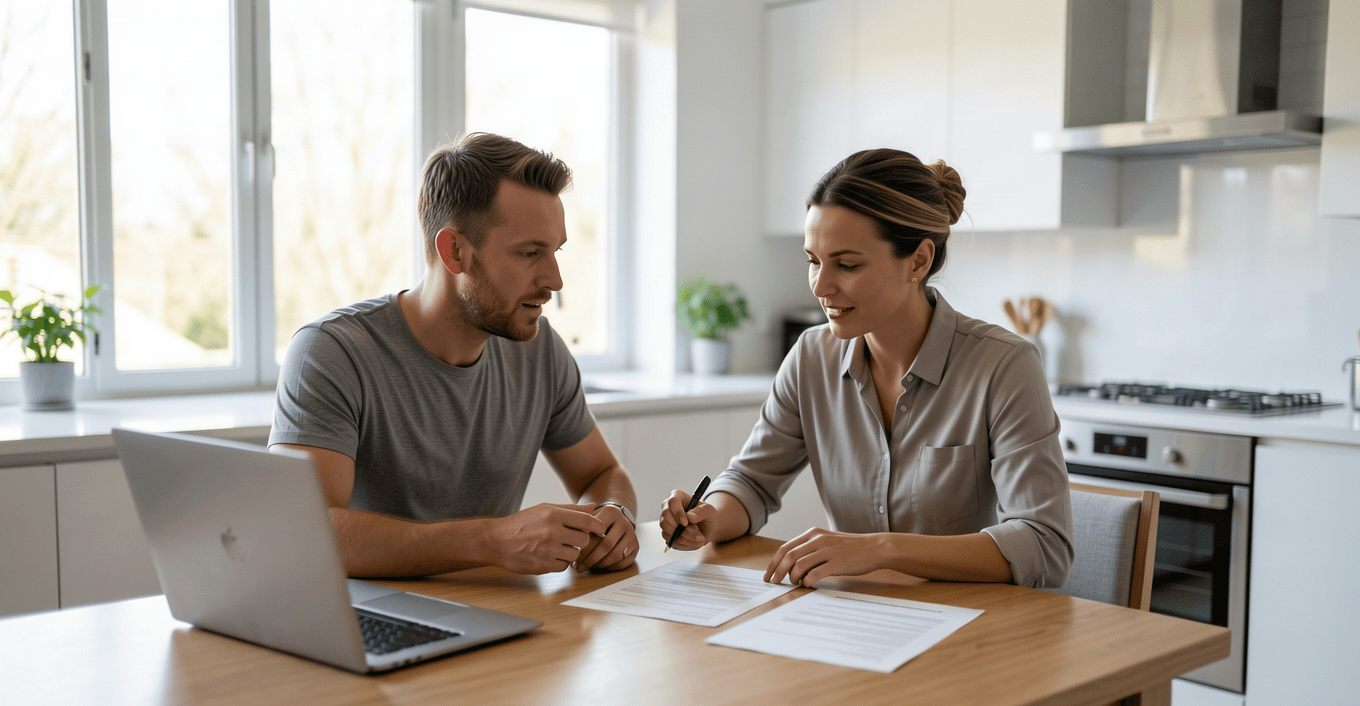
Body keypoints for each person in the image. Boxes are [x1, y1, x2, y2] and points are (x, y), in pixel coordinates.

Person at [660, 148, 1072, 590]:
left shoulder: (1004, 366)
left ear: (918, 260)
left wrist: (879, 548)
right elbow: (750, 482)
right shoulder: (810, 358)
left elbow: (1042, 544)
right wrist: (710, 516)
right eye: (813, 261)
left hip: (971, 632)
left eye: (847, 264)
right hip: (854, 623)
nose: (821, 286)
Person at [270, 133, 638, 579]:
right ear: (455, 251)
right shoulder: (332, 353)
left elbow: (600, 472)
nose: (555, 280)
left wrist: (613, 512)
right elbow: (304, 531)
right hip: (363, 621)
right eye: (529, 253)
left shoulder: (540, 350)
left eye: (555, 252)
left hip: (496, 615)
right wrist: (491, 541)